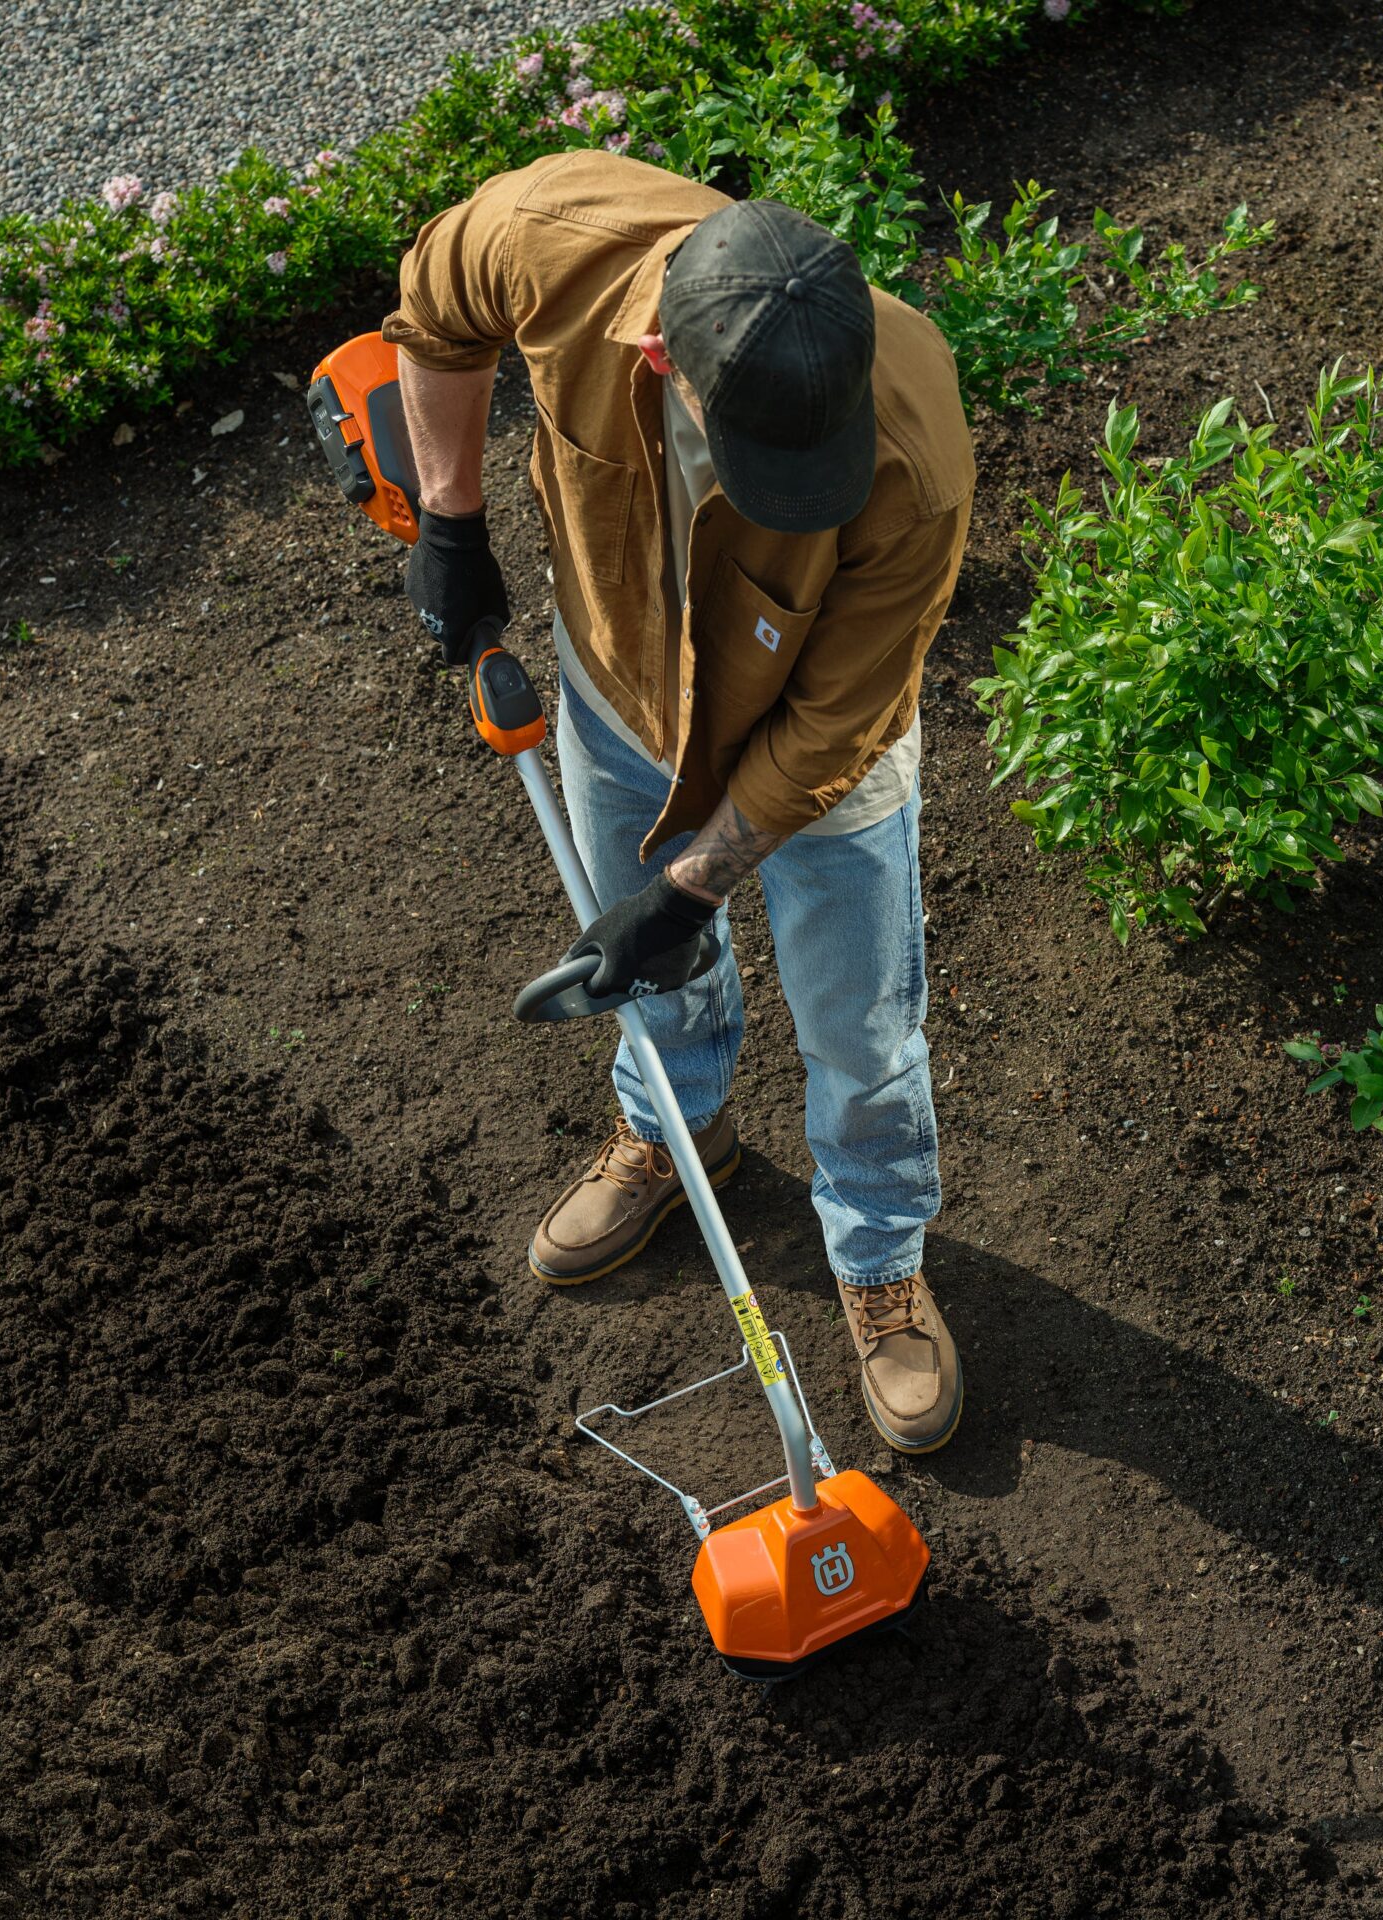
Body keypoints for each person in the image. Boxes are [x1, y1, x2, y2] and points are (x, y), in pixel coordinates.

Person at [382, 148, 972, 1454]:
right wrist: (450, 519)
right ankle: (674, 1133)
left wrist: (689, 889)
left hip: (821, 745)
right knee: (653, 978)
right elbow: (433, 309)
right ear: (662, 357)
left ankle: (879, 1260)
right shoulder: (551, 234)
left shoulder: (911, 432)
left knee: (864, 1029)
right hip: (619, 683)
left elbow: (833, 727)